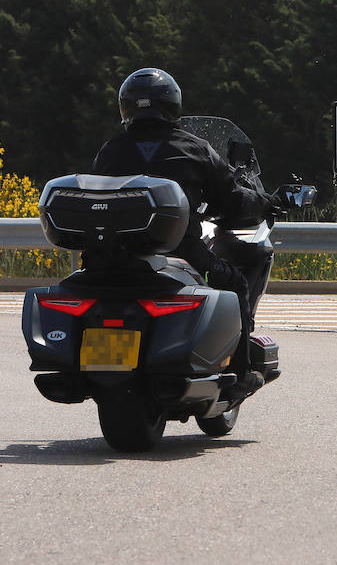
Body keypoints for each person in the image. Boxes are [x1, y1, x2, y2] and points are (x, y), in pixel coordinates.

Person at [91, 67, 275, 403]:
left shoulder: (111, 151)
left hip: (114, 255)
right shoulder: (194, 148)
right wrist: (267, 202)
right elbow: (232, 197)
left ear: (127, 108)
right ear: (173, 105)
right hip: (181, 252)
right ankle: (241, 375)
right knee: (234, 284)